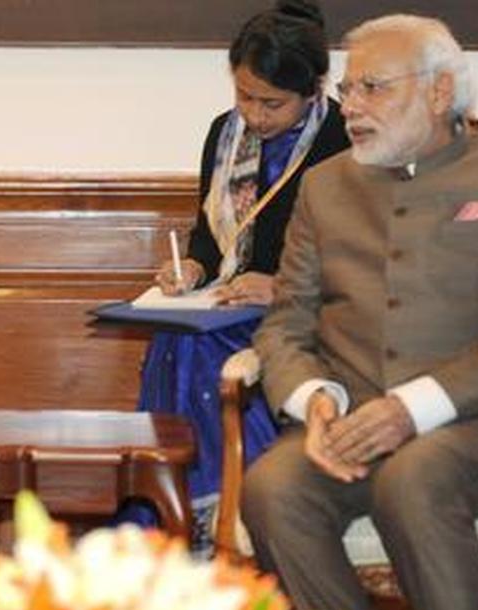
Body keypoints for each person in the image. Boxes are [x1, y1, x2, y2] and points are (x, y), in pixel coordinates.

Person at [240, 14, 478, 610]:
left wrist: (410, 409)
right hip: (355, 416)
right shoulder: (325, 185)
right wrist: (317, 401)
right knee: (274, 488)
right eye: (347, 90)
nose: (352, 107)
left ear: (438, 90)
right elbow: (286, 322)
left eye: (373, 87)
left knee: (414, 477)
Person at [132, 0, 349, 555]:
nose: (254, 114)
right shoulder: (224, 134)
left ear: (313, 90)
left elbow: (359, 257)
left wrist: (280, 286)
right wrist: (193, 267)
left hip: (308, 311)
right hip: (228, 302)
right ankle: (173, 515)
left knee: (205, 349)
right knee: (176, 335)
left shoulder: (344, 139)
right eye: (244, 95)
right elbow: (211, 235)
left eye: (271, 102)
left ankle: (227, 513)